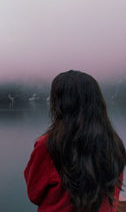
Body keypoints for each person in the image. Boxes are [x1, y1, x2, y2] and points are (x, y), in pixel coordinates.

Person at [24, 70, 126, 212]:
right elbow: (115, 190)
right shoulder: (114, 143)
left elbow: (34, 194)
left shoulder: (48, 145)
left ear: (60, 104)